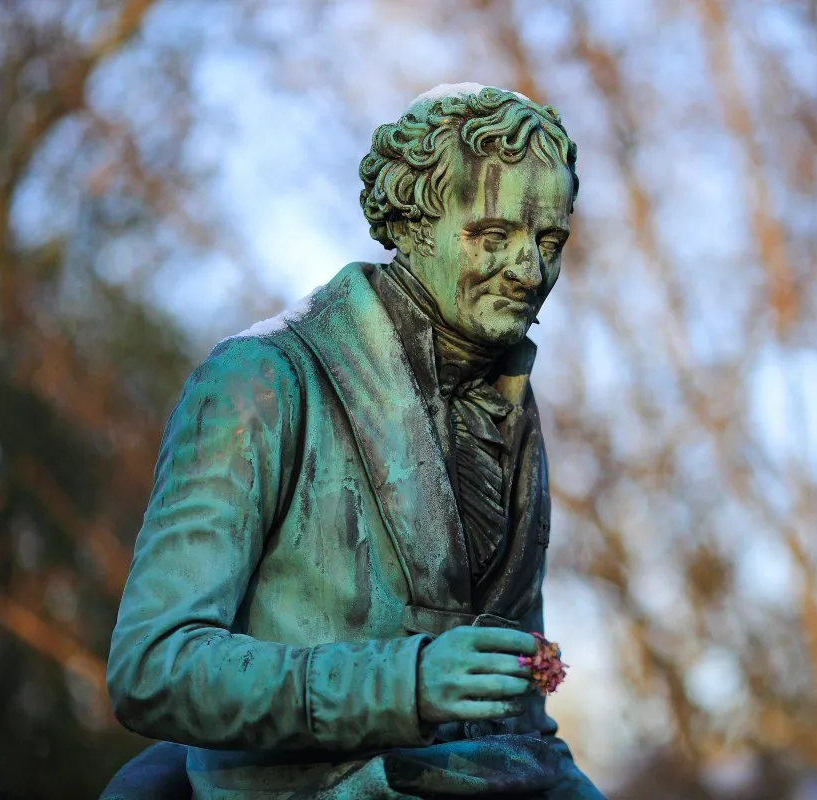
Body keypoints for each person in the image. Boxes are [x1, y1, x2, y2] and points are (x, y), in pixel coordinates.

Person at [102, 84, 605, 799]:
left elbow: (517, 716)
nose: (528, 272)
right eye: (494, 237)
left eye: (547, 241)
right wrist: (406, 681)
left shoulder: (511, 405)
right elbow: (154, 667)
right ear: (412, 226)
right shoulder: (263, 380)